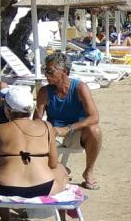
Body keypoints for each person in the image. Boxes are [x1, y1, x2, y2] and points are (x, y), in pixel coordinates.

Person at [0, 85, 68, 199]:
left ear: (7, 109)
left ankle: (5, 217)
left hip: (6, 188)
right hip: (44, 187)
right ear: (31, 108)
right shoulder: (47, 127)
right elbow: (53, 163)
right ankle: (61, 216)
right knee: (61, 169)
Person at [35, 53, 103, 189]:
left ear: (64, 71)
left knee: (95, 130)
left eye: (50, 71)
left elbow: (94, 117)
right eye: (45, 71)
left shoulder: (79, 88)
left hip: (75, 133)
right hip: (54, 134)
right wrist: (48, 129)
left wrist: (69, 128)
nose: (46, 75)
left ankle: (88, 171)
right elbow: (36, 121)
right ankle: (61, 169)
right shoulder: (44, 92)